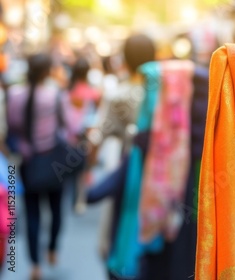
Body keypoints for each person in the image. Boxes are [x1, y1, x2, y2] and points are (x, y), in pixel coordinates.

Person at [86, 33, 156, 280]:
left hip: (127, 174)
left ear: (125, 59)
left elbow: (96, 138)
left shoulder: (119, 95)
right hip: (161, 175)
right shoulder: (164, 93)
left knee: (118, 234)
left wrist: (88, 172)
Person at [6, 53, 68, 280]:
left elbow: (12, 126)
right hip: (54, 161)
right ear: (47, 71)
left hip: (29, 162)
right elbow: (64, 126)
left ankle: (35, 264)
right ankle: (51, 248)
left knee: (32, 214)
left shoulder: (14, 94)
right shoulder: (54, 94)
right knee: (56, 210)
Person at [65, 56, 101, 214]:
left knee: (70, 169)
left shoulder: (67, 90)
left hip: (68, 136)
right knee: (83, 169)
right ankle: (79, 200)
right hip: (86, 135)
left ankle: (71, 197)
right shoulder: (93, 93)